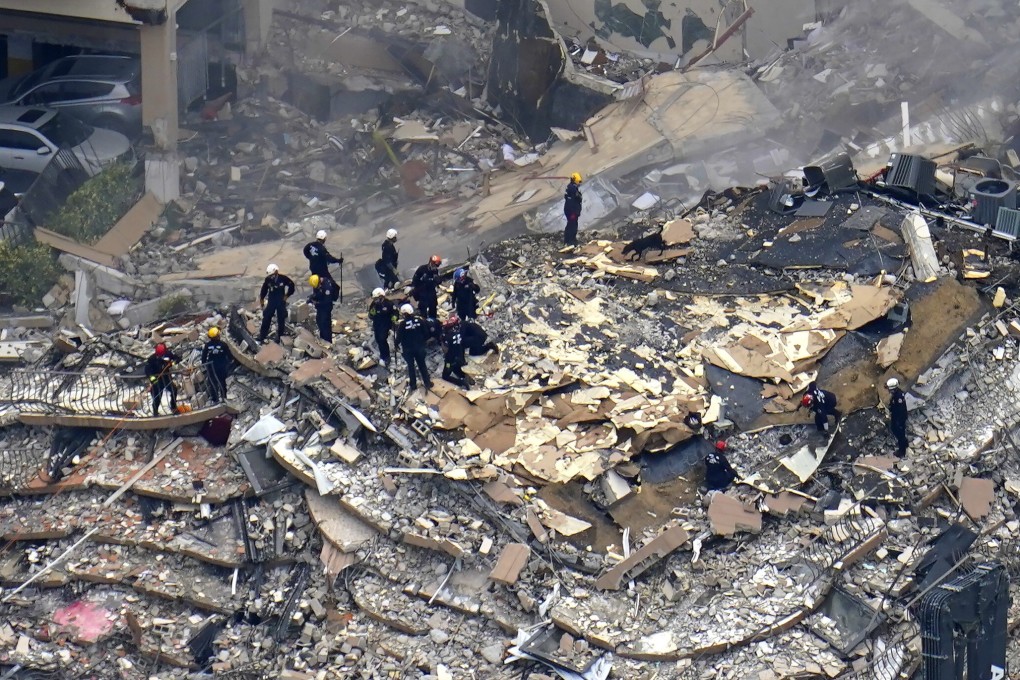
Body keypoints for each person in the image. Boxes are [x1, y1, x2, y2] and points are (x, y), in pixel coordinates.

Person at [396, 303, 432, 391]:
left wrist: (396, 344)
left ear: (404, 314)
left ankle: (413, 385)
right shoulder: (420, 320)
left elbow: (398, 338)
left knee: (411, 367)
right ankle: (427, 383)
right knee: (422, 365)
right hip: (419, 347)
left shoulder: (402, 324)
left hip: (408, 349)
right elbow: (426, 333)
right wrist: (422, 341)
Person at [258, 264, 295, 343]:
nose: (271, 277)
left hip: (281, 301)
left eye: (272, 275)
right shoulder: (268, 280)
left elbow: (292, 285)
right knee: (266, 317)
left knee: (281, 318)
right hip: (272, 301)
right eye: (270, 275)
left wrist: (287, 295)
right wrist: (262, 299)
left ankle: (280, 337)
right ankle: (262, 335)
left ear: (276, 272)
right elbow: (264, 289)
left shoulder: (283, 279)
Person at [145, 342, 180, 416]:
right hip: (157, 380)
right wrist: (153, 379)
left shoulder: (168, 354)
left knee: (174, 390)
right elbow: (148, 371)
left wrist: (172, 363)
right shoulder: (152, 359)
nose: (161, 356)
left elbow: (177, 358)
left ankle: (173, 407)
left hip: (166, 378)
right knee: (157, 396)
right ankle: (155, 411)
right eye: (159, 355)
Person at [201, 327, 232, 404]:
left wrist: (204, 365)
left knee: (213, 383)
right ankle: (224, 397)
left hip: (211, 367)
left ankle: (215, 399)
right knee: (222, 383)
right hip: (221, 367)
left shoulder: (207, 346)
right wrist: (230, 363)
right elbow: (229, 355)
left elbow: (203, 357)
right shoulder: (223, 344)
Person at [368, 288, 398, 366]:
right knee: (378, 340)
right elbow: (370, 315)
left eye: (376, 298)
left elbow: (395, 312)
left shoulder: (389, 304)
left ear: (381, 297)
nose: (375, 300)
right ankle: (382, 355)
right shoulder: (374, 305)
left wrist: (394, 317)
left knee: (382, 340)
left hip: (385, 325)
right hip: (377, 325)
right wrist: (371, 314)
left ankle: (386, 357)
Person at [307, 274, 339, 343]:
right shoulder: (318, 284)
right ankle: (322, 338)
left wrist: (316, 303)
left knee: (325, 323)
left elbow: (327, 300)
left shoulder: (328, 287)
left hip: (327, 306)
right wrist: (311, 299)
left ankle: (327, 341)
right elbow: (317, 293)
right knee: (319, 320)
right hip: (321, 305)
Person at [441, 315, 470, 387]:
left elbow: (445, 350)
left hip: (450, 360)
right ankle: (464, 375)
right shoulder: (457, 333)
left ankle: (461, 382)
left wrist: (442, 342)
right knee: (456, 368)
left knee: (445, 375)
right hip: (459, 356)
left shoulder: (447, 336)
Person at [412, 254, 442, 319]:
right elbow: (414, 281)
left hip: (431, 292)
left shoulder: (435, 271)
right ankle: (424, 321)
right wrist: (422, 281)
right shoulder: (422, 269)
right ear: (431, 263)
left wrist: (437, 280)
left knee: (433, 308)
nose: (436, 267)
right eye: (435, 265)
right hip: (422, 293)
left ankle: (433, 320)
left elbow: (439, 281)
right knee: (423, 310)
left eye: (437, 266)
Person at [886, 377, 909, 457]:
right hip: (897, 416)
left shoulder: (898, 396)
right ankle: (905, 443)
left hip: (899, 418)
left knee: (900, 434)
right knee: (895, 430)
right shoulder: (897, 393)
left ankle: (902, 452)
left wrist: (898, 421)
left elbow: (900, 409)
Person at [563, 172, 583, 246]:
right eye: (578, 182)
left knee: (572, 224)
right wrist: (574, 212)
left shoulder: (570, 188)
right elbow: (577, 199)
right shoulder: (573, 190)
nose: (579, 184)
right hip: (572, 212)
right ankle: (570, 241)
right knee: (572, 225)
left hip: (571, 211)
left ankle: (570, 240)